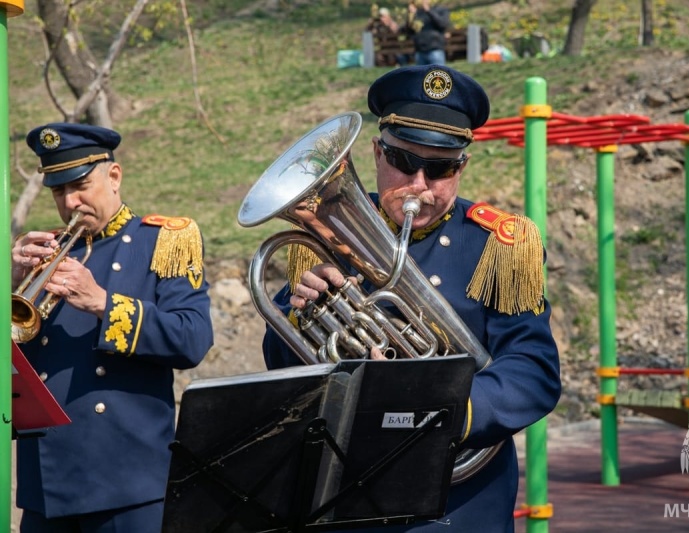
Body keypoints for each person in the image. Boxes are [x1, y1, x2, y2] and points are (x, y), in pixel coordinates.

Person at [262, 65, 561, 532]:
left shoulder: (498, 245)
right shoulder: (322, 240)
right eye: (404, 162)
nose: (419, 184)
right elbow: (285, 373)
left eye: (440, 167)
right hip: (349, 495)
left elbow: (533, 371)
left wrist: (446, 404)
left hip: (459, 501)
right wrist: (300, 316)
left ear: (462, 166)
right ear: (378, 153)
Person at [12, 122, 214, 531]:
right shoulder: (37, 256)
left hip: (128, 485)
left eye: (81, 185)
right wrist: (8, 281)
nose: (71, 202)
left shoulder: (163, 241)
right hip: (47, 489)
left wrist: (103, 303)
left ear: (114, 177)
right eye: (58, 190)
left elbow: (192, 339)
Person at [404, 0, 451, 65]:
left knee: (437, 73)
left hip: (435, 50)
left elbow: (442, 24)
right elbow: (409, 31)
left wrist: (429, 11)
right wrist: (411, 15)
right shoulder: (418, 12)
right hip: (420, 51)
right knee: (422, 75)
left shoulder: (441, 10)